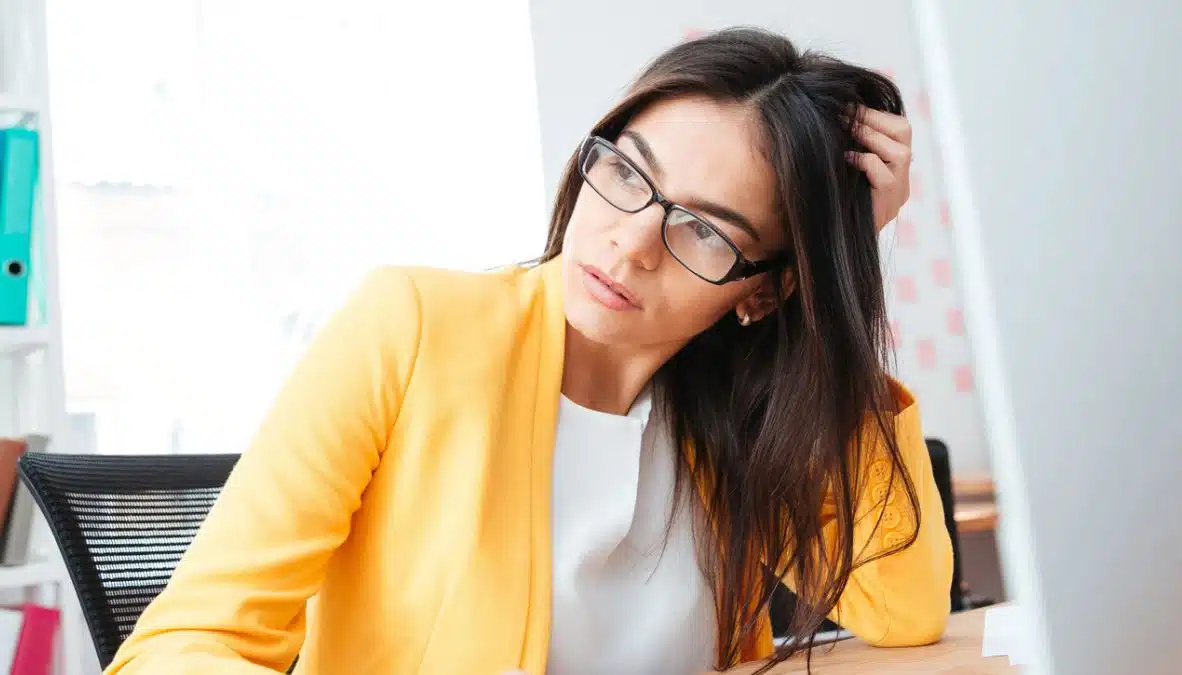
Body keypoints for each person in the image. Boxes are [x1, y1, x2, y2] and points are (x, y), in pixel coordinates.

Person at [106, 26, 951, 675]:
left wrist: (836, 274)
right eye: (626, 174)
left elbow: (903, 607)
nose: (629, 246)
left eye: (700, 229)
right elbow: (187, 640)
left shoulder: (736, 417)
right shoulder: (410, 328)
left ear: (761, 290)